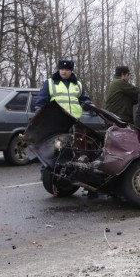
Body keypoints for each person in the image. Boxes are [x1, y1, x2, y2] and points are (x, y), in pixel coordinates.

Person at [35, 59, 95, 197]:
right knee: (53, 150)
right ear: (59, 69)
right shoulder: (50, 83)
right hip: (56, 123)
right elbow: (41, 102)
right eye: (62, 69)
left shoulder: (77, 84)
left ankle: (75, 177)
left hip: (74, 123)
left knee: (76, 151)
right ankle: (47, 175)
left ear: (71, 71)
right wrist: (39, 115)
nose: (64, 71)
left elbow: (84, 99)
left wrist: (89, 104)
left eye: (67, 70)